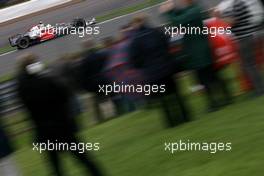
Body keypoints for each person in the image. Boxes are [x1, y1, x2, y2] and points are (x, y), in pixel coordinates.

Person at [16, 53, 104, 176]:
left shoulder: (21, 87)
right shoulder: (46, 81)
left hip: (44, 131)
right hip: (61, 127)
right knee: (84, 159)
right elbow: (63, 96)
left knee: (56, 167)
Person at [160, 0, 232, 112]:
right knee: (208, 77)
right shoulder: (192, 9)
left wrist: (168, 12)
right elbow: (180, 15)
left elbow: (179, 22)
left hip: (199, 51)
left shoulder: (193, 11)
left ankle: (217, 101)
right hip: (197, 50)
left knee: (208, 77)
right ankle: (222, 99)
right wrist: (172, 9)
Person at [129, 14, 190, 127]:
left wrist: (145, 66)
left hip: (153, 73)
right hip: (167, 67)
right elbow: (168, 45)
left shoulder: (135, 41)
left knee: (163, 99)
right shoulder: (157, 31)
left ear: (135, 25)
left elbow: (134, 61)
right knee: (176, 94)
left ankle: (171, 121)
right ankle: (185, 115)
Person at [217, 0, 264, 96]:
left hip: (244, 38)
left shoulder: (236, 4)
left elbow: (231, 21)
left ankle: (259, 89)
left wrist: (219, 16)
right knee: (250, 64)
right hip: (247, 36)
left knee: (249, 65)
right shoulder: (238, 3)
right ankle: (259, 88)